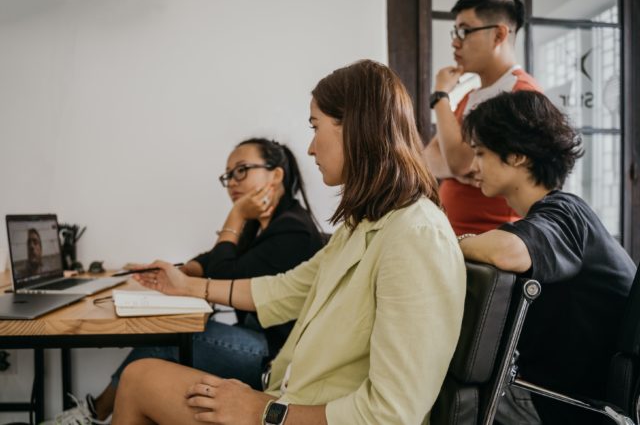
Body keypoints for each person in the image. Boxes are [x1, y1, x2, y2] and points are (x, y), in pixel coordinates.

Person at [111, 60, 466, 425]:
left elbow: (393, 414)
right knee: (140, 375)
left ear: (356, 127)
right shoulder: (360, 227)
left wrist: (264, 411)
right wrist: (185, 285)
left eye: (315, 127)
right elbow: (282, 291)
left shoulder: (416, 236)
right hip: (289, 398)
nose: (311, 148)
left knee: (140, 378)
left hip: (292, 412)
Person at [50, 138, 325, 424]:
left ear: (276, 174)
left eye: (241, 170)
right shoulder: (260, 227)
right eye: (228, 175)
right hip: (256, 338)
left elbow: (223, 273)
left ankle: (95, 413)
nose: (232, 182)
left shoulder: (292, 230)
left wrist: (237, 214)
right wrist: (177, 271)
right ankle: (100, 411)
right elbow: (211, 260)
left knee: (164, 341)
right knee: (164, 340)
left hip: (273, 356)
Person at [457, 90, 636, 424]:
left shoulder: (566, 213)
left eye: (480, 153)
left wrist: (451, 243)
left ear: (518, 156)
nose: (472, 167)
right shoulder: (550, 217)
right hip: (557, 394)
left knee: (443, 394)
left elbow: (508, 252)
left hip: (569, 405)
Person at [423, 0, 540, 235]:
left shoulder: (522, 95)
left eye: (465, 31)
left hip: (491, 242)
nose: (455, 42)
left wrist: (440, 96)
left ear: (499, 35)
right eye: (455, 32)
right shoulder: (471, 96)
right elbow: (429, 158)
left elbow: (457, 161)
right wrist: (460, 167)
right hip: (454, 236)